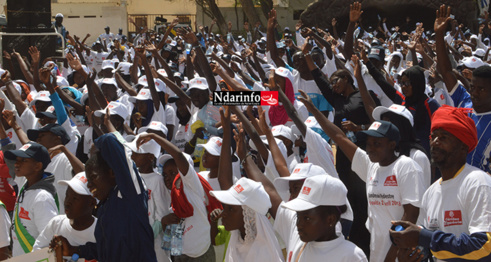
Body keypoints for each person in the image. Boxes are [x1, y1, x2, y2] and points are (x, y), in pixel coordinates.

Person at [297, 91, 426, 261]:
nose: (370, 148)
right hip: (377, 249)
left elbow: (410, 216)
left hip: (401, 253)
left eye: (377, 143)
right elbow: (339, 137)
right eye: (368, 143)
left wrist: (391, 256)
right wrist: (314, 110)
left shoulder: (406, 167)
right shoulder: (371, 166)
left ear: (392, 144)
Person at [390, 105, 491, 261]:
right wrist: (414, 255)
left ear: (463, 146)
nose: (435, 142)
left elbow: (485, 247)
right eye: (433, 136)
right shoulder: (430, 193)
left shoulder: (477, 182)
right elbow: (429, 249)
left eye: (443, 137)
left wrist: (424, 237)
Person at [52, 112, 157, 261]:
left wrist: (97, 144)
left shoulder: (130, 194)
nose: (90, 185)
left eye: (93, 177)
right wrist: (75, 250)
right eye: (88, 180)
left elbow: (112, 143)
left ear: (112, 173)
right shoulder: (103, 208)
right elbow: (106, 249)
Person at [4, 142, 58, 256]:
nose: (16, 164)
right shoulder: (24, 184)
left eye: (23, 160)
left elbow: (49, 239)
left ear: (37, 166)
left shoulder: (42, 198)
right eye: (17, 160)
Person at [33, 172, 97, 251]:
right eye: (67, 195)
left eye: (75, 199)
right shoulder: (56, 224)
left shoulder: (100, 232)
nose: (67, 202)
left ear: (91, 203)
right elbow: (37, 251)